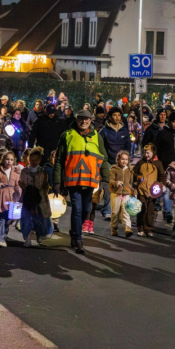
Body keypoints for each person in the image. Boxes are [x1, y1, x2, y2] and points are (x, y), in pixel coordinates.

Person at [52, 109, 110, 254]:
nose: (83, 122)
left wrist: (106, 180)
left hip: (90, 181)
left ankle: (74, 231)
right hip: (72, 181)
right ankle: (78, 239)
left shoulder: (97, 137)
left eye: (87, 119)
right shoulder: (67, 135)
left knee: (85, 209)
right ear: (77, 120)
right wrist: (57, 182)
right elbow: (59, 160)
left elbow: (103, 159)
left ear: (91, 121)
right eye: (81, 119)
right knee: (77, 209)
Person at [98, 106, 130, 223]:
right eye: (114, 115)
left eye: (119, 115)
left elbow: (128, 146)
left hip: (122, 163)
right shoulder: (104, 131)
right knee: (108, 186)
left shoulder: (124, 131)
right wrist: (104, 160)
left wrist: (126, 159)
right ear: (110, 117)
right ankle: (107, 210)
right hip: (108, 162)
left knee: (122, 187)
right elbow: (100, 147)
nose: (117, 117)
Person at [18, 147, 52, 247]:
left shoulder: (42, 171)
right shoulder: (24, 171)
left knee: (40, 218)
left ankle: (40, 235)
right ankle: (27, 238)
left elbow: (45, 184)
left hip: (40, 200)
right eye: (32, 160)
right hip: (28, 199)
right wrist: (25, 188)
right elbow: (21, 183)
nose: (34, 162)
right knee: (27, 218)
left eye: (36, 160)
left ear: (40, 160)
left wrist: (43, 192)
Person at [0, 150, 22, 248]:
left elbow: (18, 185)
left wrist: (19, 191)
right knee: (1, 219)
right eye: (7, 159)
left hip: (12, 199)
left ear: (14, 161)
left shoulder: (16, 173)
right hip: (1, 198)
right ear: (3, 160)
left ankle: (3, 237)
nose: (9, 161)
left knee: (9, 220)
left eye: (11, 160)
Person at [133, 143, 166, 237]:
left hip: (153, 191)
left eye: (148, 153)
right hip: (141, 189)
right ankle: (140, 227)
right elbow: (133, 173)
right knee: (142, 208)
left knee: (150, 210)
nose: (146, 155)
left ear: (153, 153)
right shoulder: (140, 163)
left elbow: (162, 175)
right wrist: (138, 177)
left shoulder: (158, 163)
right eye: (145, 153)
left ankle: (149, 228)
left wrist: (162, 184)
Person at [109, 150, 135, 237]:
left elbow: (132, 183)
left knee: (125, 212)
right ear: (118, 160)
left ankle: (127, 228)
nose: (124, 161)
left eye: (126, 159)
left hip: (126, 194)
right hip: (116, 193)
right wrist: (116, 183)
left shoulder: (130, 171)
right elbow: (111, 180)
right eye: (122, 159)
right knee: (115, 212)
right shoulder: (114, 169)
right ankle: (114, 228)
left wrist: (134, 192)